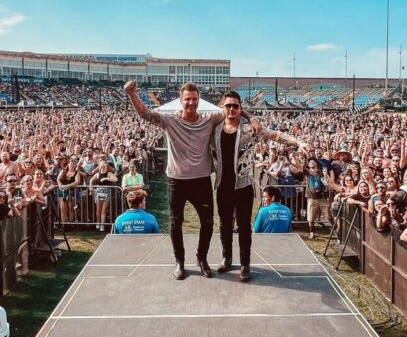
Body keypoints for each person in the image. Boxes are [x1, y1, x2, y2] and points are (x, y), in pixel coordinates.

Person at [124, 80, 258, 280]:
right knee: (175, 222)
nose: (191, 103)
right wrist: (131, 94)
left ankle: (201, 259)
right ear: (181, 100)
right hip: (176, 180)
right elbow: (145, 113)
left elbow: (233, 110)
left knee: (207, 222)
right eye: (187, 99)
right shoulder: (169, 120)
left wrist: (252, 118)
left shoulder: (209, 118)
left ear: (198, 100)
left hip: (201, 180)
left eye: (194, 99)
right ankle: (179, 261)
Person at [211, 90, 300, 281]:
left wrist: (298, 141)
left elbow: (274, 135)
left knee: (244, 226)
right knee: (225, 225)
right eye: (228, 106)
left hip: (243, 186)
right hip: (223, 185)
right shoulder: (215, 128)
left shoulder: (250, 130)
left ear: (240, 108)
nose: (231, 109)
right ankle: (227, 258)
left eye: (235, 106)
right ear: (223, 108)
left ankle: (245, 264)